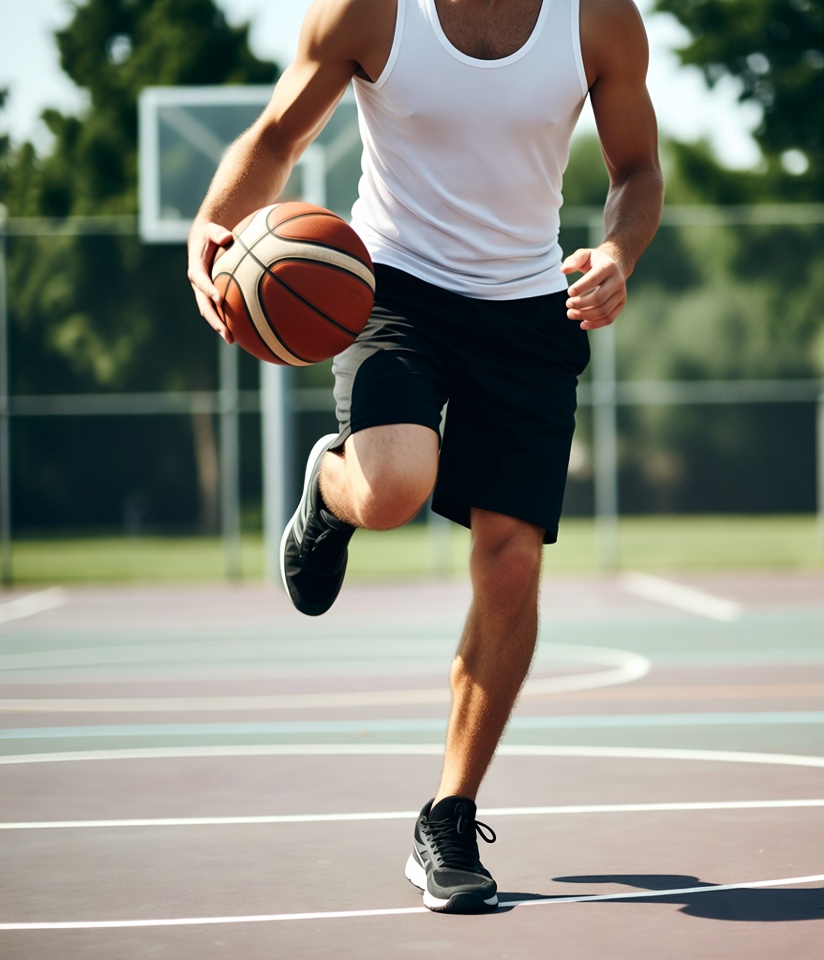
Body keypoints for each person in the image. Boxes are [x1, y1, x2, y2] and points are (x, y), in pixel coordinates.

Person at [187, 0, 663, 915]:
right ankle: (335, 487)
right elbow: (281, 131)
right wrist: (212, 222)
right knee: (397, 484)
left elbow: (636, 170)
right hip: (392, 285)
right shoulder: (370, 11)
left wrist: (618, 250)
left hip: (529, 306)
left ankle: (449, 815)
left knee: (513, 561)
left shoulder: (597, 17)